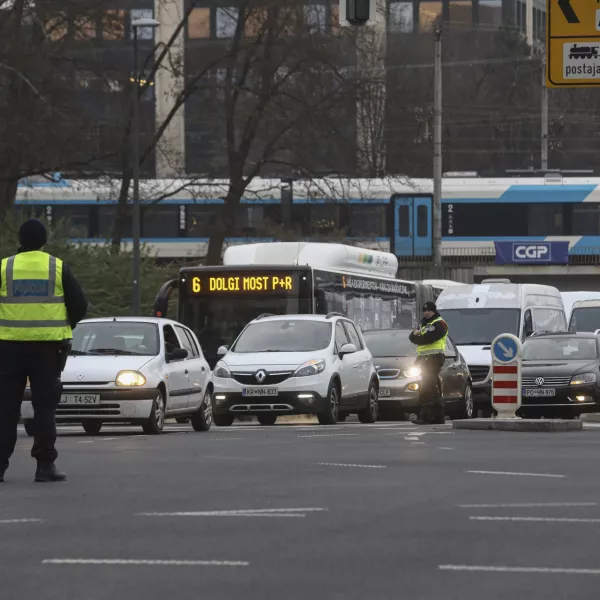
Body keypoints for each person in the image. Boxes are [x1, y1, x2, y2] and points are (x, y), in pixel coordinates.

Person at [0, 219, 88, 483]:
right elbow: (80, 304)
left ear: (20, 239)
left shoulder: (5, 267)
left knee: (5, 408)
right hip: (48, 349)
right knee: (44, 407)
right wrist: (63, 326)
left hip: (7, 347)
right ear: (43, 241)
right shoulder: (57, 267)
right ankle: (45, 466)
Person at [409, 301, 449, 425]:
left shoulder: (440, 324)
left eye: (429, 310)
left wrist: (418, 336)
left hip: (434, 357)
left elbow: (429, 338)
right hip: (425, 358)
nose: (426, 313)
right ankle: (437, 417)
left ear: (434, 311)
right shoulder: (423, 323)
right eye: (424, 311)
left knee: (428, 387)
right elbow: (411, 337)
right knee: (433, 387)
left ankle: (426, 416)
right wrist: (417, 336)